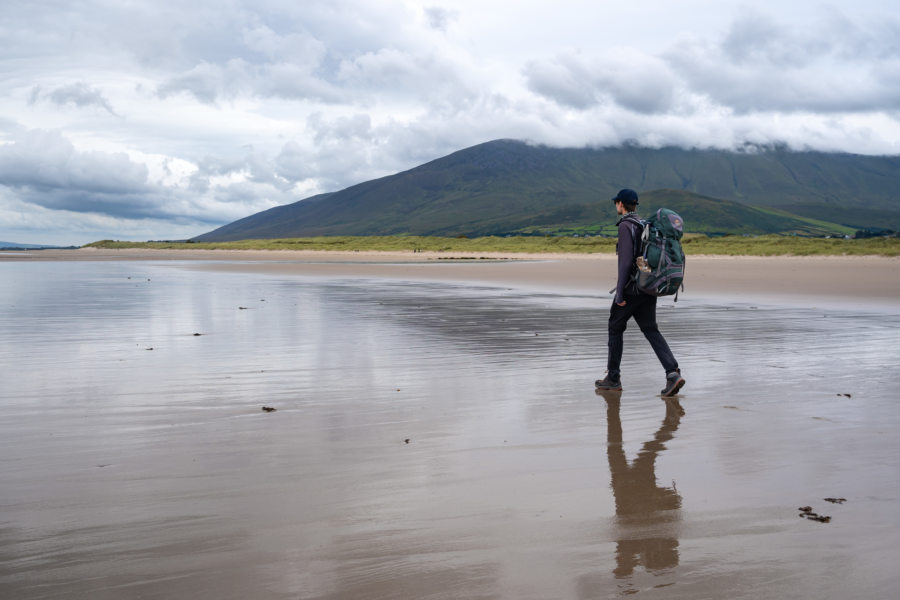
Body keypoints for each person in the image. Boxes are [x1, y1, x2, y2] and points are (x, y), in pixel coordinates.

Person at [595, 189, 685, 396]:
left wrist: (619, 295)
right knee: (650, 329)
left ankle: (613, 377)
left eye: (616, 203)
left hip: (632, 289)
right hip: (648, 286)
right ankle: (672, 373)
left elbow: (626, 262)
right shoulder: (644, 224)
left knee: (615, 327)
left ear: (620, 204)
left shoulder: (626, 225)